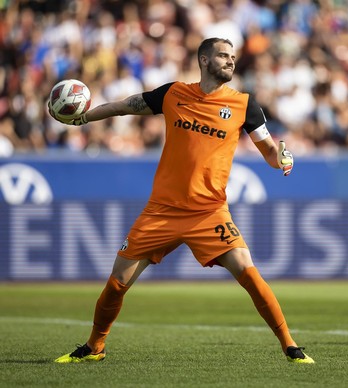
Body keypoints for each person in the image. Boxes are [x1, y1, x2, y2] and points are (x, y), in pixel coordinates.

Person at [50, 38, 314, 364]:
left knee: (248, 271)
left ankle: (290, 346)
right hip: (161, 211)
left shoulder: (245, 105)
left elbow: (270, 154)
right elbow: (124, 105)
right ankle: (94, 347)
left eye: (232, 56)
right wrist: (83, 119)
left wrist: (283, 158)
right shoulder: (174, 94)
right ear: (204, 60)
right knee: (117, 284)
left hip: (209, 212)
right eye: (222, 55)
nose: (230, 61)